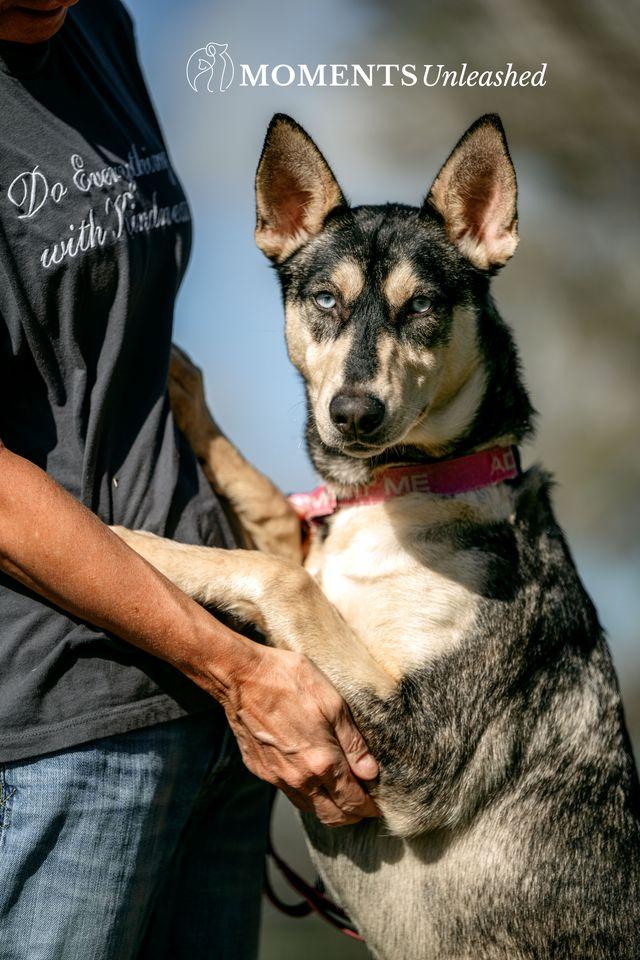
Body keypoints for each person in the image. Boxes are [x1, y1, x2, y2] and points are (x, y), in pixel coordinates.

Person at [0, 2, 378, 958]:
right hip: (72, 724)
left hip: (223, 712)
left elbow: (108, 358)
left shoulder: (96, 27)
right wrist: (235, 669)